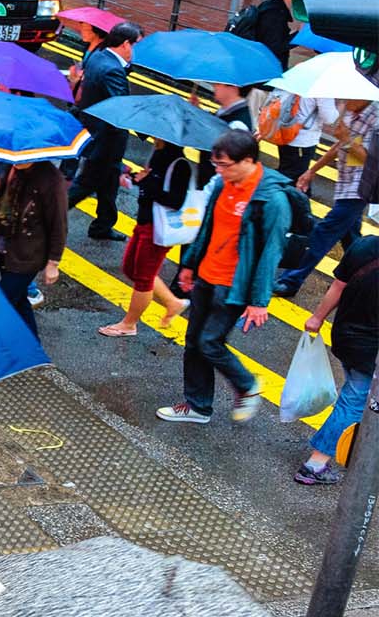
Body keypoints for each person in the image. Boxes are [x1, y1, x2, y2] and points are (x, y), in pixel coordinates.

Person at [157, 129, 291, 424]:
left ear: (248, 160)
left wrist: (259, 300)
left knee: (209, 342)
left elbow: (271, 252)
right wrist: (189, 265)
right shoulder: (223, 184)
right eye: (216, 164)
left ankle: (247, 385)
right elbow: (207, 228)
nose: (218, 171)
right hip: (206, 276)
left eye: (224, 165)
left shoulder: (271, 200)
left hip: (234, 286)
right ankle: (198, 406)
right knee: (193, 341)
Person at [294, 233, 377, 486]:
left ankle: (355, 446)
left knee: (355, 396)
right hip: (370, 349)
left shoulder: (365, 245)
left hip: (344, 337)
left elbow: (338, 286)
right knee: (354, 401)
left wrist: (317, 318)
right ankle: (315, 464)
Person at [274, 97, 376, 296]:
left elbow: (373, 159)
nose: (344, 102)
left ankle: (291, 280)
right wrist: (312, 171)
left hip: (363, 186)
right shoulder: (351, 110)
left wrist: (346, 139)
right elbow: (339, 146)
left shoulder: (376, 118)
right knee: (351, 238)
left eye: (349, 97)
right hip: (346, 181)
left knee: (324, 231)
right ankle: (360, 278)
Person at [100, 138, 194, 336]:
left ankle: (129, 324)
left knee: (143, 277)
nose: (153, 137)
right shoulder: (158, 154)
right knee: (130, 268)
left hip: (157, 229)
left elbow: (175, 201)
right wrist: (134, 178)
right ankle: (172, 302)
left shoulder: (179, 164)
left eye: (158, 136)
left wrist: (147, 182)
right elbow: (149, 184)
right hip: (144, 222)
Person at [67, 21, 139, 239]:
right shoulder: (112, 70)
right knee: (84, 186)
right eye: (135, 45)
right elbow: (121, 107)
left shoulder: (99, 57)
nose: (135, 52)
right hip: (106, 141)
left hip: (99, 137)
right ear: (126, 44)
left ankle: (103, 225)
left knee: (109, 185)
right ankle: (43, 218)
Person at [0, 160, 66, 338]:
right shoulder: (11, 167)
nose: (17, 160)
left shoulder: (51, 179)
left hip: (28, 255)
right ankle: (33, 347)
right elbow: (2, 205)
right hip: (5, 248)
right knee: (20, 301)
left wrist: (53, 262)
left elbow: (58, 224)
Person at [237, 0, 296, 70]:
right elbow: (275, 46)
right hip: (268, 67)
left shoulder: (269, 5)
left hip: (261, 62)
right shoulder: (275, 13)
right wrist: (298, 35)